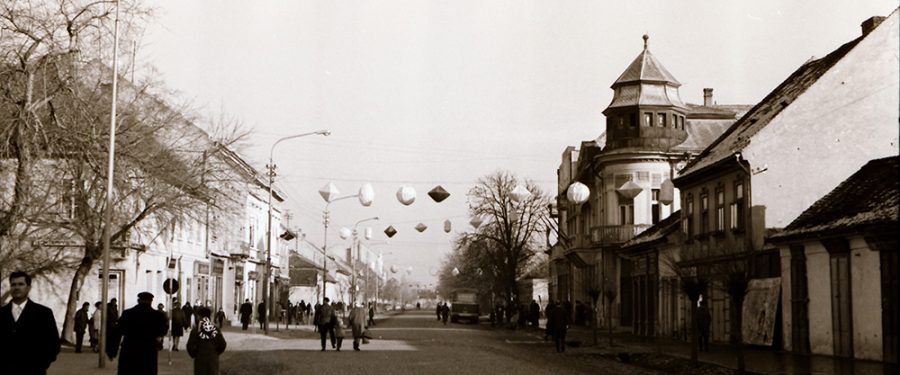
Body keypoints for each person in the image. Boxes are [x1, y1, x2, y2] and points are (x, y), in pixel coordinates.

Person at [0, 271, 61, 374]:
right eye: (13, 284)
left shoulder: (43, 313)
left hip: (34, 371)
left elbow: (53, 344)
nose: (16, 287)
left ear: (28, 287)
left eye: (21, 284)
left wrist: (41, 365)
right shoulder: (1, 313)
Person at [106, 292, 168, 375]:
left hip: (129, 350)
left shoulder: (128, 313)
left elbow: (117, 331)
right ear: (151, 301)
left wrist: (112, 351)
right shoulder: (158, 316)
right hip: (148, 352)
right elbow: (163, 331)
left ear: (138, 300)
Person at [187, 307, 227, 375]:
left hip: (200, 358)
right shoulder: (215, 329)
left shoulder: (196, 330)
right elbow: (223, 344)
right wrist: (215, 352)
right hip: (213, 358)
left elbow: (190, 346)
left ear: (199, 317)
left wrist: (195, 353)